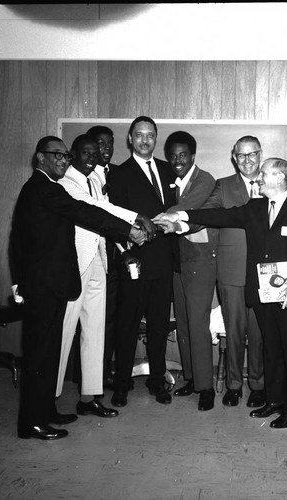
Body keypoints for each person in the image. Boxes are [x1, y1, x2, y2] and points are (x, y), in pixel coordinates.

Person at [155, 158, 287, 429]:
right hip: (264, 294)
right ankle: (274, 400)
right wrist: (183, 215)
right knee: (271, 349)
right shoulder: (255, 207)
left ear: (280, 178)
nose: (258, 179)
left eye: (264, 174)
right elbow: (220, 216)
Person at [9, 136, 154, 441]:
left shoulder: (43, 188)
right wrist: (129, 230)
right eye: (56, 155)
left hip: (49, 283)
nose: (62, 160)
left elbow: (18, 242)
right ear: (40, 158)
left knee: (47, 354)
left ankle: (45, 413)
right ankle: (31, 423)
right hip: (44, 285)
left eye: (64, 156)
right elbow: (85, 212)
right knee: (40, 355)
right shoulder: (44, 188)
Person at [54, 134, 147, 419]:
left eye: (95, 153)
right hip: (74, 265)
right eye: (86, 152)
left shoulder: (95, 179)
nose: (92, 157)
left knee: (95, 332)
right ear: (72, 154)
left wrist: (123, 249)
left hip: (98, 262)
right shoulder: (65, 183)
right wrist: (135, 218)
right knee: (64, 334)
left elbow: (104, 224)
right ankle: (48, 399)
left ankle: (89, 397)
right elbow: (98, 210)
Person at [108, 116, 177, 407]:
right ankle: (122, 384)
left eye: (150, 135)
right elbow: (112, 216)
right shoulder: (119, 174)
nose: (145, 140)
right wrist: (129, 239)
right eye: (139, 135)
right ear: (130, 139)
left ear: (156, 138)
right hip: (134, 262)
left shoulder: (167, 168)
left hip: (163, 263)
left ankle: (157, 381)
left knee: (159, 326)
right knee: (127, 326)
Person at [196, 136, 266, 409]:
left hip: (265, 274)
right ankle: (234, 386)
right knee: (233, 331)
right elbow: (208, 212)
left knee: (259, 333)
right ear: (233, 157)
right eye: (241, 155)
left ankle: (258, 385)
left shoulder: (271, 182)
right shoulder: (223, 186)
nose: (247, 160)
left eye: (252, 154)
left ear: (260, 155)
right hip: (232, 270)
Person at [163, 131, 218, 411]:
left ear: (193, 156)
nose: (177, 160)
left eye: (183, 154)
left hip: (199, 261)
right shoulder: (169, 181)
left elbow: (187, 210)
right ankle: (192, 378)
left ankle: (206, 387)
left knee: (198, 323)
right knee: (183, 323)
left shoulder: (204, 179)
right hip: (176, 261)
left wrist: (154, 218)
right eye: (172, 155)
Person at [86, 125, 120, 388]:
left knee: (112, 316)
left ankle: (105, 370)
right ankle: (90, 375)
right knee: (95, 318)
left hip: (117, 253)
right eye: (100, 143)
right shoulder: (83, 176)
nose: (106, 149)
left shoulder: (117, 173)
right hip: (93, 254)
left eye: (109, 143)